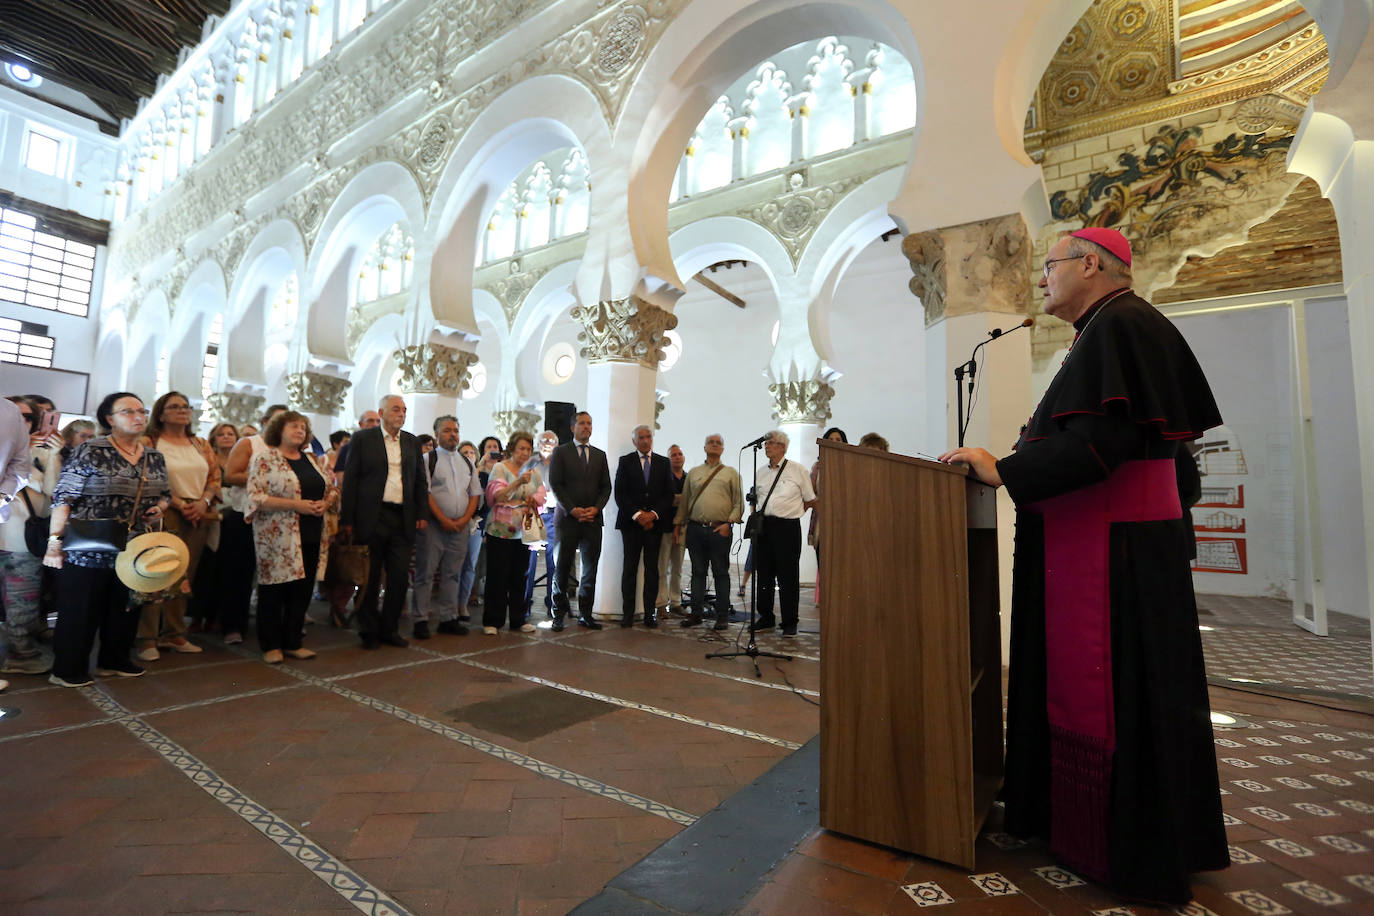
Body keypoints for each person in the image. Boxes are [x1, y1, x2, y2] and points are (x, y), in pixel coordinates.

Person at [939, 227, 1228, 904]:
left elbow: (1096, 444)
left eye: (1049, 265)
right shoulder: (1111, 327)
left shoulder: (1119, 326)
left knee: (1120, 693)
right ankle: (1078, 820)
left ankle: (1126, 845)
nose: (1041, 278)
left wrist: (1002, 469)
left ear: (1089, 263)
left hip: (1114, 557)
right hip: (1119, 546)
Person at [45, 392, 171, 685]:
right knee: (81, 610)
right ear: (109, 419)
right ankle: (67, 669)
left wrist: (159, 508)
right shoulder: (91, 449)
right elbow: (63, 496)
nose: (138, 416)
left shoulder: (154, 457)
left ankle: (114, 660)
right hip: (89, 545)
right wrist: (54, 542)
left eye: (141, 411)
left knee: (125, 607)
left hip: (133, 546)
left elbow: (165, 494)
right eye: (128, 411)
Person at [135, 391, 220, 661]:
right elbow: (146, 477)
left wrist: (204, 502)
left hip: (197, 513)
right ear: (161, 414)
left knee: (183, 574)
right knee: (156, 572)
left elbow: (215, 477)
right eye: (174, 407)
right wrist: (179, 503)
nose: (182, 410)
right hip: (163, 512)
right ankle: (147, 637)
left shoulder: (200, 444)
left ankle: (174, 632)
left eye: (185, 406)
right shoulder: (149, 441)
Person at [338, 395, 427, 649]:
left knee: (399, 577)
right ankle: (368, 629)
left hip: (402, 517)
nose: (401, 414)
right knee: (370, 576)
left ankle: (390, 629)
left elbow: (420, 480)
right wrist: (347, 519)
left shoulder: (411, 441)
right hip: (372, 517)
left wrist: (421, 514)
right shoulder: (363, 439)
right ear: (381, 412)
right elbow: (351, 480)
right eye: (396, 409)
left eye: (404, 410)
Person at [247, 411, 335, 663]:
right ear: (278, 430)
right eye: (293, 426)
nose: (299, 431)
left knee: (302, 590)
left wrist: (326, 503)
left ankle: (293, 642)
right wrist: (296, 505)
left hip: (311, 531)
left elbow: (331, 489)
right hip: (277, 535)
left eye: (303, 428)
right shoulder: (265, 458)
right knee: (274, 590)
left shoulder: (312, 460)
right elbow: (255, 497)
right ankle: (271, 645)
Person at [219, 404, 286, 644]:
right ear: (265, 421)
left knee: (274, 575)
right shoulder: (249, 443)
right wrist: (268, 480)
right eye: (279, 420)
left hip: (278, 519)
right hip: (245, 515)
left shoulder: (288, 448)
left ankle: (270, 627)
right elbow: (230, 475)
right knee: (239, 573)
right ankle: (233, 626)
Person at [413, 415, 481, 638]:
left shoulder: (467, 462)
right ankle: (421, 619)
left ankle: (448, 618)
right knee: (426, 573)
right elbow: (426, 492)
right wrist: (443, 519)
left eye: (455, 430)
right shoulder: (428, 459)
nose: (453, 434)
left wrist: (464, 519)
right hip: (434, 525)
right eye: (447, 430)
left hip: (460, 527)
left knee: (452, 573)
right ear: (436, 434)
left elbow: (474, 494)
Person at [674, 434, 744, 630]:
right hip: (695, 529)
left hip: (719, 530)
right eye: (711, 442)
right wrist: (678, 525)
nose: (714, 445)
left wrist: (729, 523)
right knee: (697, 572)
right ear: (704, 447)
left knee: (721, 573)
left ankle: (722, 615)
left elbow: (738, 503)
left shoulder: (731, 473)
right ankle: (696, 613)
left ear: (722, 449)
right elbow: (685, 502)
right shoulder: (694, 473)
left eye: (718, 443)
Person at [548, 412, 610, 630]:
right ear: (573, 427)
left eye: (589, 423)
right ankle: (558, 614)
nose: (586, 427)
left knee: (590, 570)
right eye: (582, 423)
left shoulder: (600, 455)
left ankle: (586, 614)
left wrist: (596, 508)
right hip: (568, 520)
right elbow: (555, 484)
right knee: (562, 568)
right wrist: (572, 509)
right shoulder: (561, 452)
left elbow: (606, 487)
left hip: (592, 520)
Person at [752, 430, 815, 637]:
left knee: (788, 576)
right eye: (766, 443)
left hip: (787, 528)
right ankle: (766, 617)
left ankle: (789, 621)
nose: (766, 446)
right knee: (764, 574)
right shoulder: (760, 472)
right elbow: (755, 499)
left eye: (771, 443)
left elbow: (810, 499)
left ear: (783, 447)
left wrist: (795, 512)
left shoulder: (798, 470)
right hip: (765, 527)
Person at [480, 432, 545, 635]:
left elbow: (541, 494)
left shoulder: (533, 471)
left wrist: (533, 499)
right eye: (521, 448)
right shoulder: (500, 468)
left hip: (524, 531)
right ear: (512, 449)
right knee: (498, 575)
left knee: (520, 575)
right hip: (501, 529)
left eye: (528, 449)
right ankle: (493, 620)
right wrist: (517, 482)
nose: (525, 453)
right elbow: (496, 496)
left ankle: (519, 619)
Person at [613, 424, 675, 628]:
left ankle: (650, 614)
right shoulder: (625, 461)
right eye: (641, 437)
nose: (646, 440)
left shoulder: (663, 462)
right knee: (629, 568)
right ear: (634, 441)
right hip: (631, 524)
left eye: (648, 436)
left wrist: (653, 515)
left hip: (655, 525)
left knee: (652, 570)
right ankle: (628, 614)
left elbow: (668, 495)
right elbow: (620, 493)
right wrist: (638, 515)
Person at [0, 397, 41, 688]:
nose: (25, 420)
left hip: (14, 528)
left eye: (30, 417)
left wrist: (2, 496)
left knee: (20, 597)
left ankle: (20, 651)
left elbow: (20, 466)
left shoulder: (7, 410)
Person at [187, 422, 237, 633]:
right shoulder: (208, 459)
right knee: (204, 568)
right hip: (208, 516)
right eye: (221, 434)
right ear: (214, 439)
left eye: (230, 433)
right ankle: (197, 615)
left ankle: (216, 615)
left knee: (225, 570)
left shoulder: (241, 461)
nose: (226, 437)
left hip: (233, 520)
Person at [521, 430, 561, 621]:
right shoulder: (530, 463)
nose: (547, 443)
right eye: (543, 440)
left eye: (551, 440)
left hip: (555, 515)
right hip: (534, 514)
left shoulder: (561, 463)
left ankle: (552, 603)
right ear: (537, 444)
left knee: (553, 562)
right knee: (529, 563)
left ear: (557, 444)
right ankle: (524, 604)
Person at [808, 427, 847, 605]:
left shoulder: (850, 464)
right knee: (824, 564)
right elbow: (810, 493)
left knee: (842, 565)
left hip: (844, 521)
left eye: (838, 440)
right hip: (822, 522)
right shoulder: (817, 467)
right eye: (830, 439)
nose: (834, 443)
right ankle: (828, 603)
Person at [454, 440, 484, 616]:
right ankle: (452, 604)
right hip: (457, 523)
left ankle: (462, 604)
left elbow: (486, 502)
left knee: (470, 566)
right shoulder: (455, 475)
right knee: (454, 565)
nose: (468, 455)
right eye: (464, 453)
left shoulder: (483, 476)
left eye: (471, 452)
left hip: (476, 525)